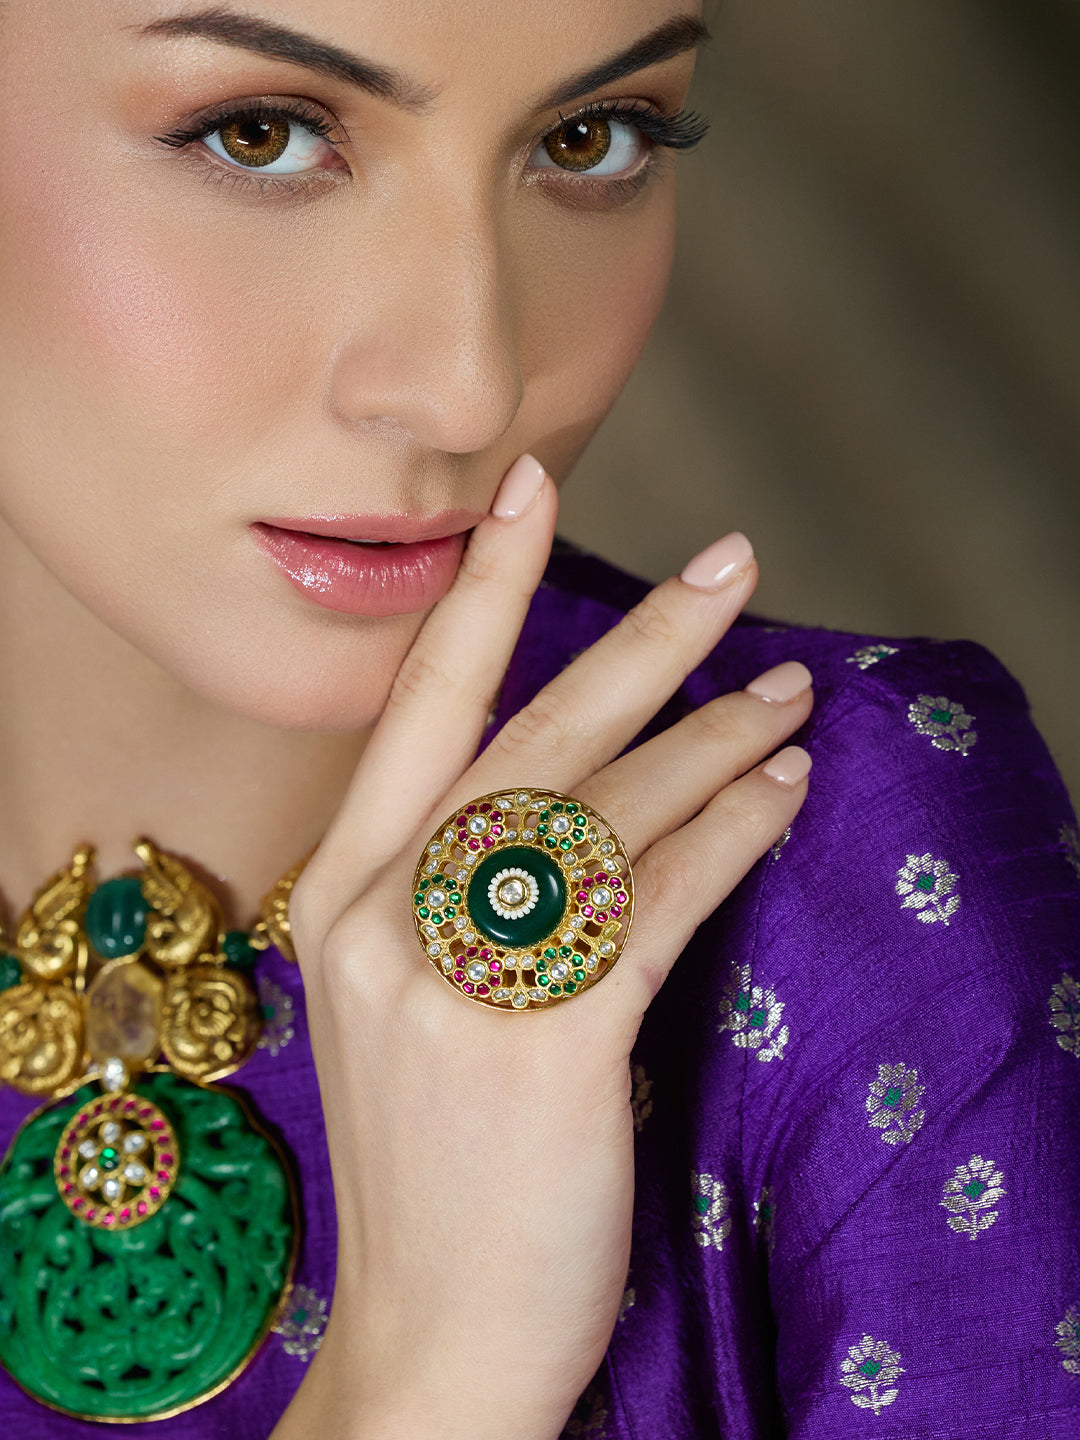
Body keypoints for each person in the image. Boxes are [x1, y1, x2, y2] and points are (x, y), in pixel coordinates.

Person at [0, 2, 1076, 1437]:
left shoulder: (846, 862)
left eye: (591, 138)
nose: (468, 386)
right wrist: (420, 1386)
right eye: (259, 136)